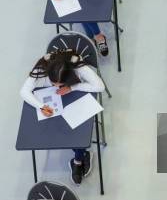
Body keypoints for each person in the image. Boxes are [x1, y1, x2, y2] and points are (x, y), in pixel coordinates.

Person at [20, 49, 105, 185]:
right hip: (55, 102)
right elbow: (24, 91)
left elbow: (100, 86)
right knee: (58, 131)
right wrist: (40, 106)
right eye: (53, 83)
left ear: (70, 76)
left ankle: (78, 159)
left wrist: (73, 87)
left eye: (60, 84)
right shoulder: (42, 66)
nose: (56, 86)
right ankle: (80, 155)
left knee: (76, 133)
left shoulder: (77, 65)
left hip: (75, 98)